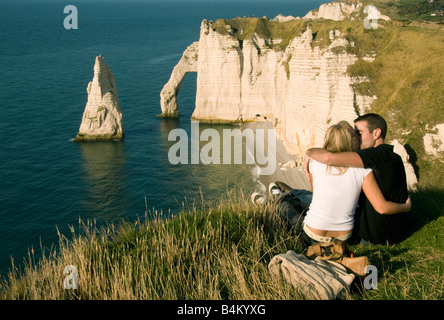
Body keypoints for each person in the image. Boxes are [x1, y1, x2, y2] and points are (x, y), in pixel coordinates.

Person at [305, 113, 413, 244]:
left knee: (300, 202)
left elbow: (328, 158)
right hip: (391, 231)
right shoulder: (392, 157)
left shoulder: (372, 157)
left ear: (376, 133)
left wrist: (310, 152)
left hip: (372, 236)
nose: (356, 138)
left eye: (359, 133)